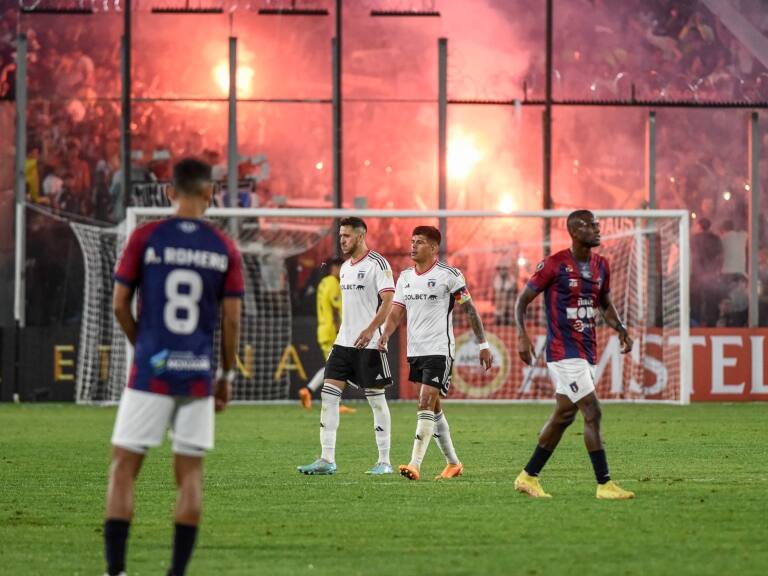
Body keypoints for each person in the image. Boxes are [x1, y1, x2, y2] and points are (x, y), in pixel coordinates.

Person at [103, 158, 244, 576]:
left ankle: (116, 571)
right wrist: (226, 375)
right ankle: (176, 573)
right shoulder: (223, 247)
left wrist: (143, 345)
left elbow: (118, 305)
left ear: (169, 192)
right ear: (210, 193)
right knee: (190, 474)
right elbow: (232, 319)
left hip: (150, 372)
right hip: (197, 374)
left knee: (124, 468)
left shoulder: (146, 237)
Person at [513, 210, 635, 500]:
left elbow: (604, 303)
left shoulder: (602, 265)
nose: (597, 229)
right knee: (592, 411)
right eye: (590, 225)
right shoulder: (554, 264)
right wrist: (522, 334)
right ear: (574, 231)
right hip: (563, 353)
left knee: (564, 416)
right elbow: (523, 300)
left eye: (596, 225)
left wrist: (620, 329)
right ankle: (604, 484)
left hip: (586, 350)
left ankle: (528, 476)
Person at [378, 226, 493, 481]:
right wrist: (385, 334)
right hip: (416, 351)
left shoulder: (449, 275)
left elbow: (470, 309)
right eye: (412, 241)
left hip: (440, 350)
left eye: (419, 242)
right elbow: (396, 311)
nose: (412, 246)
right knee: (434, 407)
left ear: (433, 247)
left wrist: (483, 344)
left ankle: (414, 463)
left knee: (424, 403)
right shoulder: (405, 277)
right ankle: (453, 463)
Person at [297, 217, 395, 476]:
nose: (342, 240)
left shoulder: (378, 264)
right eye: (340, 236)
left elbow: (388, 301)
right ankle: (327, 459)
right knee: (328, 396)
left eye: (347, 236)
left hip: (370, 344)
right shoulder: (344, 269)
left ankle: (384, 461)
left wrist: (371, 329)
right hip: (343, 343)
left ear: (361, 237)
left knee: (376, 400)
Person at [298, 257, 356, 414]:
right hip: (331, 332)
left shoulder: (323, 283)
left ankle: (308, 391)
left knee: (331, 367)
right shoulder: (333, 283)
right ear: (334, 269)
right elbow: (338, 308)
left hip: (324, 329)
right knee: (337, 368)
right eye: (341, 268)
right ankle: (335, 404)